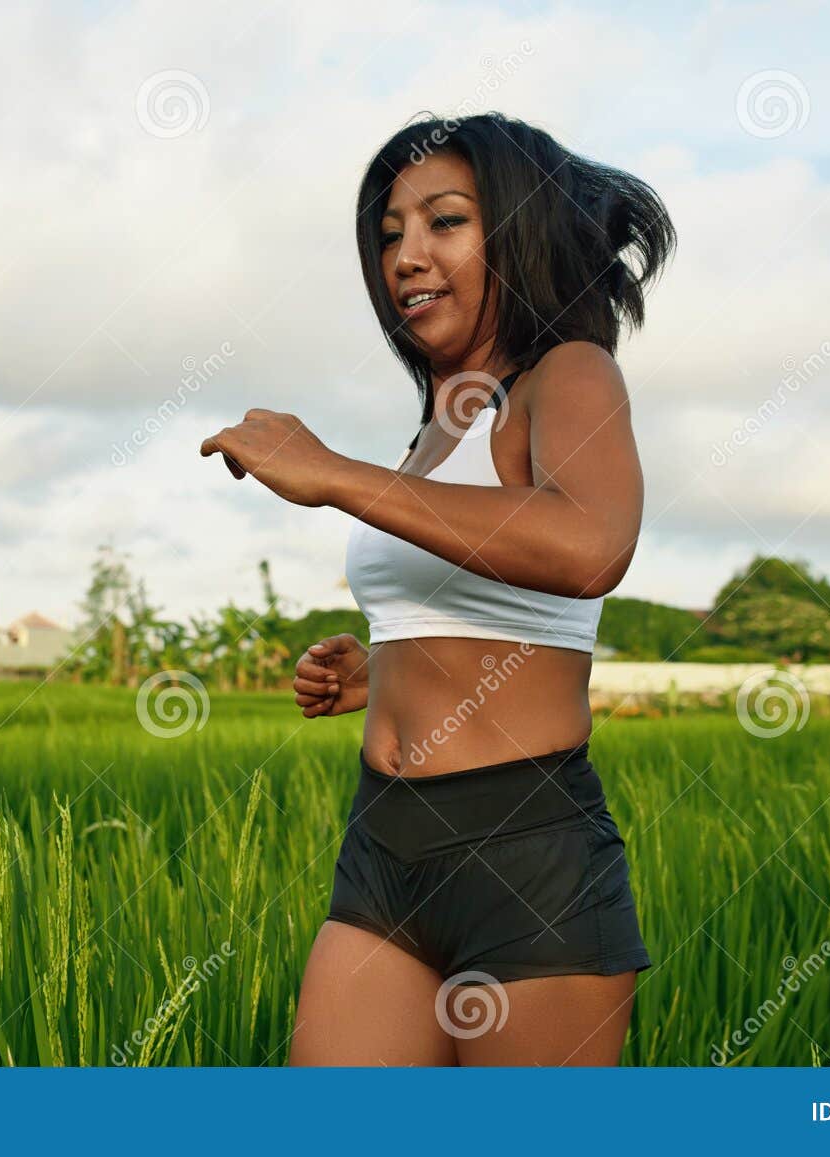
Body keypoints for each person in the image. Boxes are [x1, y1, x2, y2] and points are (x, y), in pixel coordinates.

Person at [199, 110, 674, 1065]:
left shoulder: (568, 375)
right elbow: (496, 602)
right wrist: (378, 669)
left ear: (521, 231)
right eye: (388, 235)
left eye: (444, 221)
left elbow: (589, 545)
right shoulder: (439, 426)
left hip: (526, 855)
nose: (406, 255)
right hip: (385, 842)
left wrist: (332, 471)